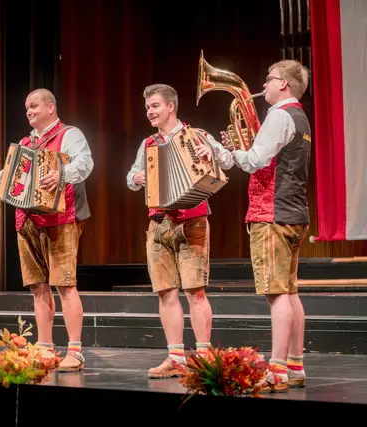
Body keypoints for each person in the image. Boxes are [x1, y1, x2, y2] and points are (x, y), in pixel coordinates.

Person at [197, 59, 311, 393]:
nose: (264, 84)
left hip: (272, 214)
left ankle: (277, 370)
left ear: (284, 84)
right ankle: (294, 365)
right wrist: (234, 150)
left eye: (269, 79)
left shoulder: (279, 115)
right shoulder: (299, 116)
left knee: (277, 295)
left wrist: (221, 150)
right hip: (294, 213)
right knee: (290, 292)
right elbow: (263, 158)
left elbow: (255, 161)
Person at [127, 84, 232, 379]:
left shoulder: (197, 134)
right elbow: (130, 177)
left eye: (155, 106)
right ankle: (175, 358)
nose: (150, 112)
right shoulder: (148, 144)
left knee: (195, 291)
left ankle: (203, 357)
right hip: (159, 222)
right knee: (166, 292)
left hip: (192, 220)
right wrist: (137, 177)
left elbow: (227, 160)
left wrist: (212, 151)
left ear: (170, 107)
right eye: (147, 107)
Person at [0, 88, 93, 372]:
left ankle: (75, 351)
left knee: (65, 285)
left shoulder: (69, 134)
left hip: (61, 218)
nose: (29, 111)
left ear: (51, 107)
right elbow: (6, 174)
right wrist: (6, 176)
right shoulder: (25, 143)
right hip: (27, 219)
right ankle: (45, 348)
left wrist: (61, 174)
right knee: (38, 287)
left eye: (34, 106)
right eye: (27, 107)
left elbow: (85, 164)